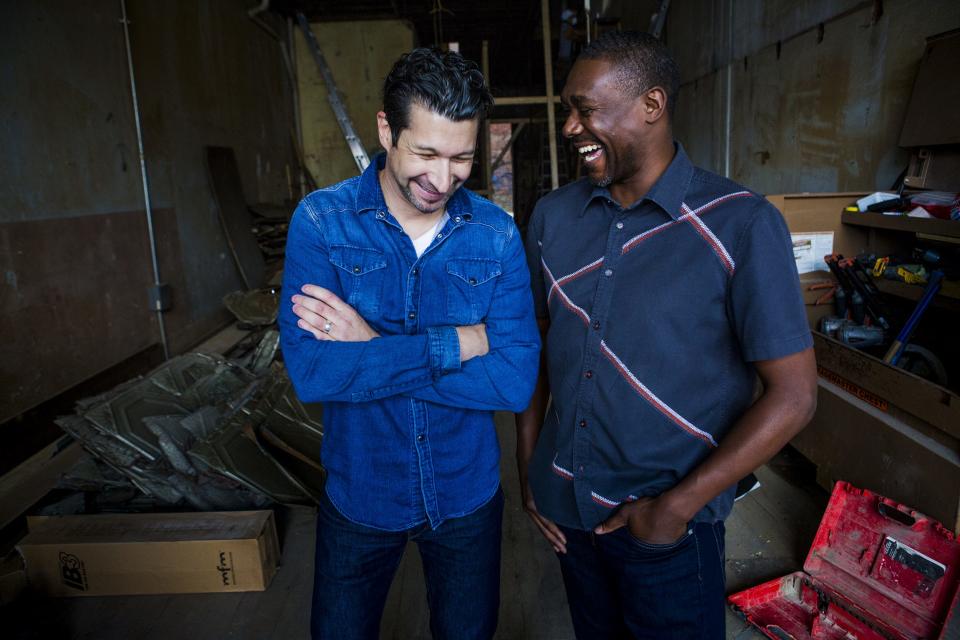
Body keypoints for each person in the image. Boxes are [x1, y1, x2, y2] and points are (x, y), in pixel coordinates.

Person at [516, 31, 817, 638]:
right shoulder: (552, 217)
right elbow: (537, 350)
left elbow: (794, 397)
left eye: (586, 109)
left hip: (666, 533)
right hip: (568, 516)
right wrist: (530, 470)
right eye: (567, 112)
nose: (571, 128)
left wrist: (675, 508)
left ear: (651, 105)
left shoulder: (741, 224)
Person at [279, 48, 540, 640]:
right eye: (426, 153)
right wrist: (456, 344)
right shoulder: (322, 224)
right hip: (360, 495)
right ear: (385, 131)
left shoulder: (496, 235)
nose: (443, 179)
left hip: (466, 497)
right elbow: (315, 372)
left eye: (461, 158)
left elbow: (514, 380)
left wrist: (370, 342)